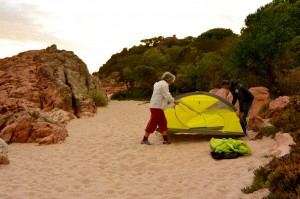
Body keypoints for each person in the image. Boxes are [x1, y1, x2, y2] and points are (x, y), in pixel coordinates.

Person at [141, 72, 179, 145]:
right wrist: (174, 101)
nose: (172, 82)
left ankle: (165, 139)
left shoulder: (159, 84)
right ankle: (144, 140)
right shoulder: (164, 85)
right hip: (157, 107)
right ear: (169, 79)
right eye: (171, 80)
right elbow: (167, 95)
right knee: (153, 123)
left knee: (163, 123)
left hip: (158, 107)